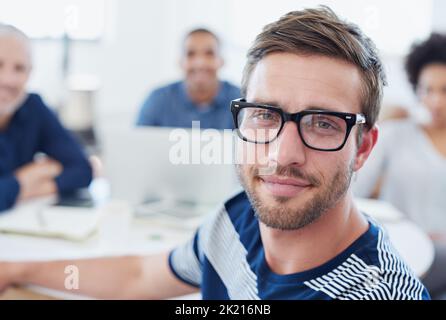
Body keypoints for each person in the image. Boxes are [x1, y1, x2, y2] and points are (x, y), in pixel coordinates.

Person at [0, 7, 429, 300]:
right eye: (265, 114)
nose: (283, 153)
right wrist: (16, 271)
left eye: (322, 123)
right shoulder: (235, 220)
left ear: (363, 148)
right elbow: (139, 275)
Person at [353, 33, 446, 299]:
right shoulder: (395, 134)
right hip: (402, 251)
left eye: (445, 90)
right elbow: (355, 193)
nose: (436, 101)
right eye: (427, 90)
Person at [0, 24, 93, 212]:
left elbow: (82, 169)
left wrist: (15, 190)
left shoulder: (33, 107)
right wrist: (29, 176)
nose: (8, 80)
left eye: (19, 68)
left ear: (29, 73)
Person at [136, 28, 240, 129]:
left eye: (209, 53)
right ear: (180, 62)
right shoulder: (158, 100)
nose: (200, 63)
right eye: (190, 54)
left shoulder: (240, 100)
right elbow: (137, 143)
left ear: (221, 60)